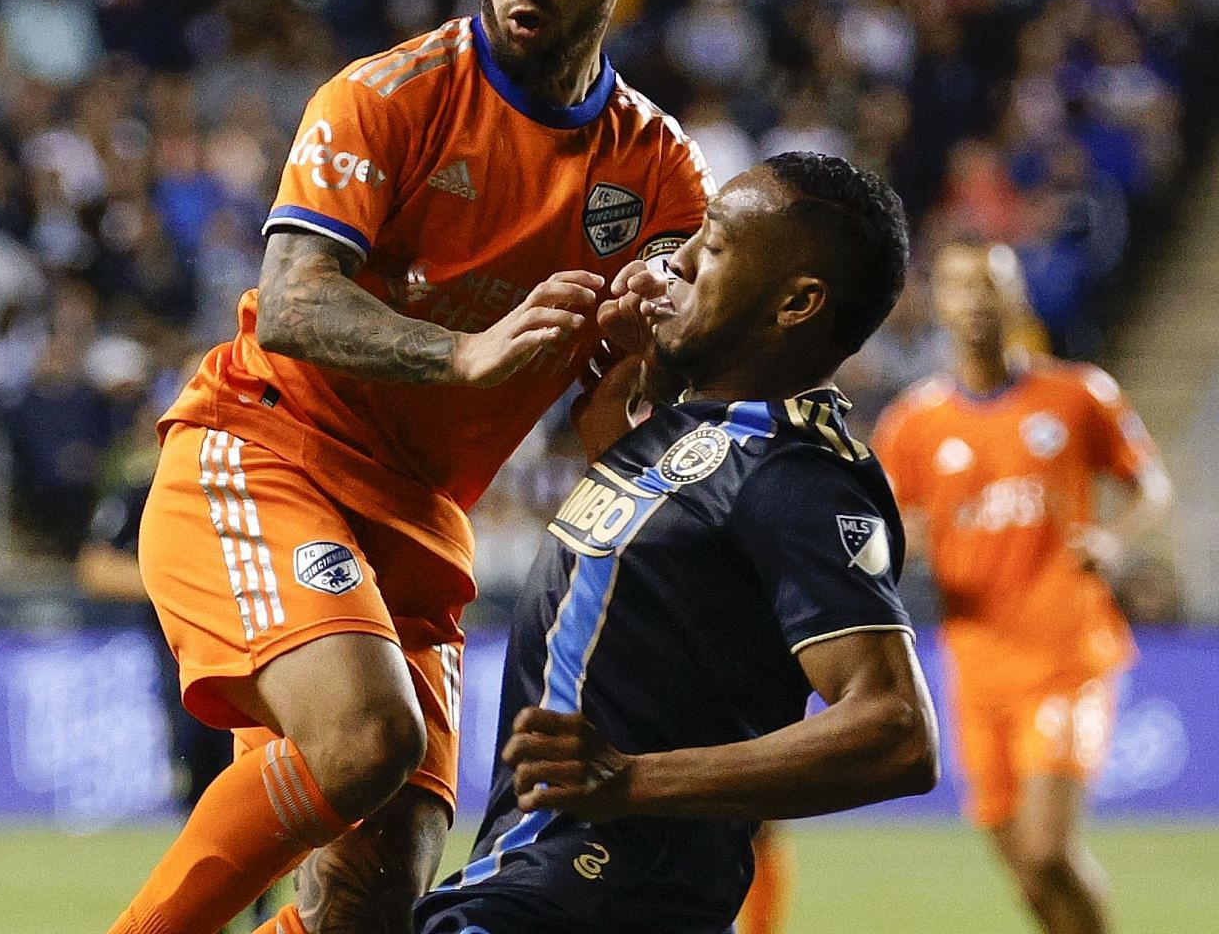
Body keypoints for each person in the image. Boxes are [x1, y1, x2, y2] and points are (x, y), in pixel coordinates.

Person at [110, 0, 714, 934]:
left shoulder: (660, 171)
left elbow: (611, 433)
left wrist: (646, 354)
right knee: (368, 737)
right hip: (265, 452)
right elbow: (291, 306)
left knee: (376, 893)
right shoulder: (385, 97)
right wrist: (468, 352)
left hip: (415, 527)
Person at [416, 152, 939, 934]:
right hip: (538, 883)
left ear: (796, 303)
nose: (682, 258)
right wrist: (637, 367)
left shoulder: (797, 474)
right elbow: (642, 558)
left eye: (717, 245)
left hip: (595, 899)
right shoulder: (702, 434)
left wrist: (630, 781)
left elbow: (896, 731)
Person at [872, 242, 1171, 934]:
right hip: (977, 665)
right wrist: (902, 549)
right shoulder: (914, 423)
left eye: (990, 285)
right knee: (1021, 866)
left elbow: (1149, 485)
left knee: (1046, 848)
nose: (975, 301)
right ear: (937, 304)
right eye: (959, 287)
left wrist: (1114, 541)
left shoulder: (1077, 396)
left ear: (1016, 299)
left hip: (1067, 653)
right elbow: (885, 529)